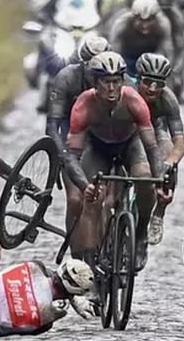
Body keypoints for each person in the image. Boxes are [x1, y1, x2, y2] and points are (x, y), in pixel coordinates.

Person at [63, 52, 165, 271]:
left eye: (116, 82)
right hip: (98, 148)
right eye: (106, 82)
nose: (111, 89)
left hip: (131, 145)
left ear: (123, 82)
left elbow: (151, 147)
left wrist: (160, 179)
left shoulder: (134, 101)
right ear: (95, 83)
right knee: (91, 199)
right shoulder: (83, 106)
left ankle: (140, 235)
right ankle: (89, 268)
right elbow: (72, 156)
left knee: (145, 180)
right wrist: (85, 185)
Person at [0, 201, 95, 340]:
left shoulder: (33, 267)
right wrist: (72, 298)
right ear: (73, 293)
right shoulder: (45, 319)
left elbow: (50, 276)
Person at [45, 37, 112, 258]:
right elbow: (52, 125)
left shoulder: (119, 80)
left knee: (104, 199)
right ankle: (76, 259)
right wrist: (59, 156)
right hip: (72, 132)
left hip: (103, 133)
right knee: (75, 200)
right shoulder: (66, 78)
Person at [133, 53, 184, 245]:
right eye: (147, 82)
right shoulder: (126, 91)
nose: (153, 88)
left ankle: (158, 212)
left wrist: (169, 162)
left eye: (159, 84)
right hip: (130, 130)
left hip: (156, 130)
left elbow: (180, 142)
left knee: (167, 152)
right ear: (137, 79)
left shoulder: (168, 99)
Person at [110, 0, 173, 78]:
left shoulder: (163, 24)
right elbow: (115, 51)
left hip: (152, 59)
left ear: (156, 18)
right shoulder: (121, 24)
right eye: (140, 20)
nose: (145, 26)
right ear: (133, 18)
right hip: (127, 59)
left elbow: (167, 51)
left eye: (149, 20)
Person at [151, 0, 184, 102]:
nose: (163, 12)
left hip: (169, 42)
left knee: (175, 66)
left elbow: (179, 45)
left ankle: (177, 91)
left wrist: (176, 69)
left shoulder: (177, 17)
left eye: (166, 9)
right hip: (154, 42)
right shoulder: (150, 13)